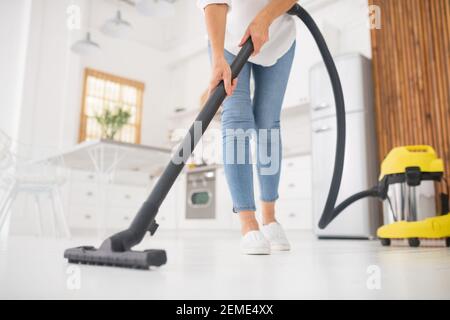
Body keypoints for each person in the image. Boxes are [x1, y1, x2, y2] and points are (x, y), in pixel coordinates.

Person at [198, 0, 298, 255]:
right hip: (230, 40)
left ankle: (270, 218)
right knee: (237, 120)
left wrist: (265, 17)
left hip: (278, 38)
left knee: (268, 125)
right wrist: (218, 57)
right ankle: (248, 223)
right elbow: (213, 3)